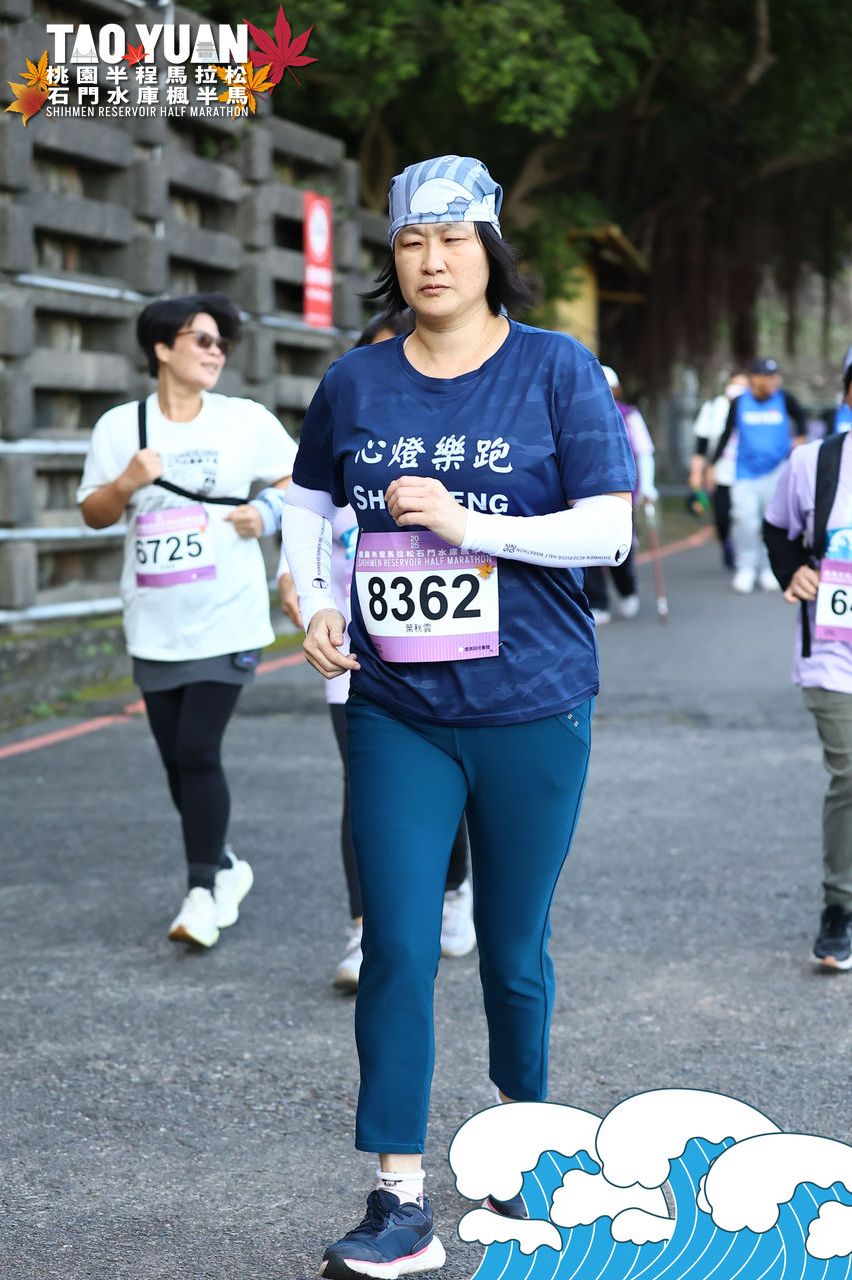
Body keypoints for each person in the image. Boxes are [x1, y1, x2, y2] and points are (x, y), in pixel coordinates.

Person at [281, 154, 636, 1279]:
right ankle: (400, 1199)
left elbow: (610, 529)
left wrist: (473, 526)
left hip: (532, 703)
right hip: (397, 705)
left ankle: (524, 1157)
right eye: (410, 241)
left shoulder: (554, 367)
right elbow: (305, 504)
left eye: (452, 238)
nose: (431, 260)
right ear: (393, 257)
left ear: (488, 249)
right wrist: (311, 598)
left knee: (512, 952)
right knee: (396, 941)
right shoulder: (355, 381)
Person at [77, 293, 296, 948]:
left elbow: (301, 481)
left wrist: (267, 514)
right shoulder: (121, 426)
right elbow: (93, 513)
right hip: (154, 619)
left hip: (228, 614)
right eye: (202, 339)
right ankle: (224, 865)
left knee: (198, 749)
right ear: (161, 348)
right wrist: (126, 482)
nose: (215, 351)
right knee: (177, 759)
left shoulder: (244, 420)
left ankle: (200, 891)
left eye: (221, 342)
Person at [277, 311, 475, 992]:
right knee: (363, 788)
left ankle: (454, 890)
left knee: (448, 780)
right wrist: (304, 592)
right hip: (359, 654)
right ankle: (365, 931)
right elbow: (302, 519)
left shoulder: (466, 448)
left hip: (454, 647)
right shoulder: (343, 446)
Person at [764, 358, 852, 970]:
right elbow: (778, 532)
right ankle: (841, 905)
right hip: (834, 654)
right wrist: (792, 568)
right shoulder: (813, 465)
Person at [710, 356, 806, 593]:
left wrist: (801, 437)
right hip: (745, 472)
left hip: (777, 471)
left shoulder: (784, 398)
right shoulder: (740, 402)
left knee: (770, 521)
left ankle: (767, 567)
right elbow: (726, 433)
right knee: (745, 519)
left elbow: (801, 417)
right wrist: (712, 464)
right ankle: (746, 567)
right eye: (766, 376)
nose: (772, 381)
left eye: (775, 376)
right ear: (754, 378)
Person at [583, 365, 657, 623]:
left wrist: (648, 486)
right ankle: (597, 601)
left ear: (615, 390)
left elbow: (644, 452)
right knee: (587, 548)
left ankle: (627, 589)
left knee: (619, 545)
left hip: (622, 493)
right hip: (585, 492)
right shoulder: (575, 414)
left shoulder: (629, 416)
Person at [688, 372, 748, 569]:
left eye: (743, 385)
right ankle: (727, 545)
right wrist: (697, 472)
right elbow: (701, 446)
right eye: (735, 384)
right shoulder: (713, 408)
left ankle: (745, 556)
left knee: (745, 517)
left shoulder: (751, 408)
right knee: (722, 517)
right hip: (719, 474)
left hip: (746, 475)